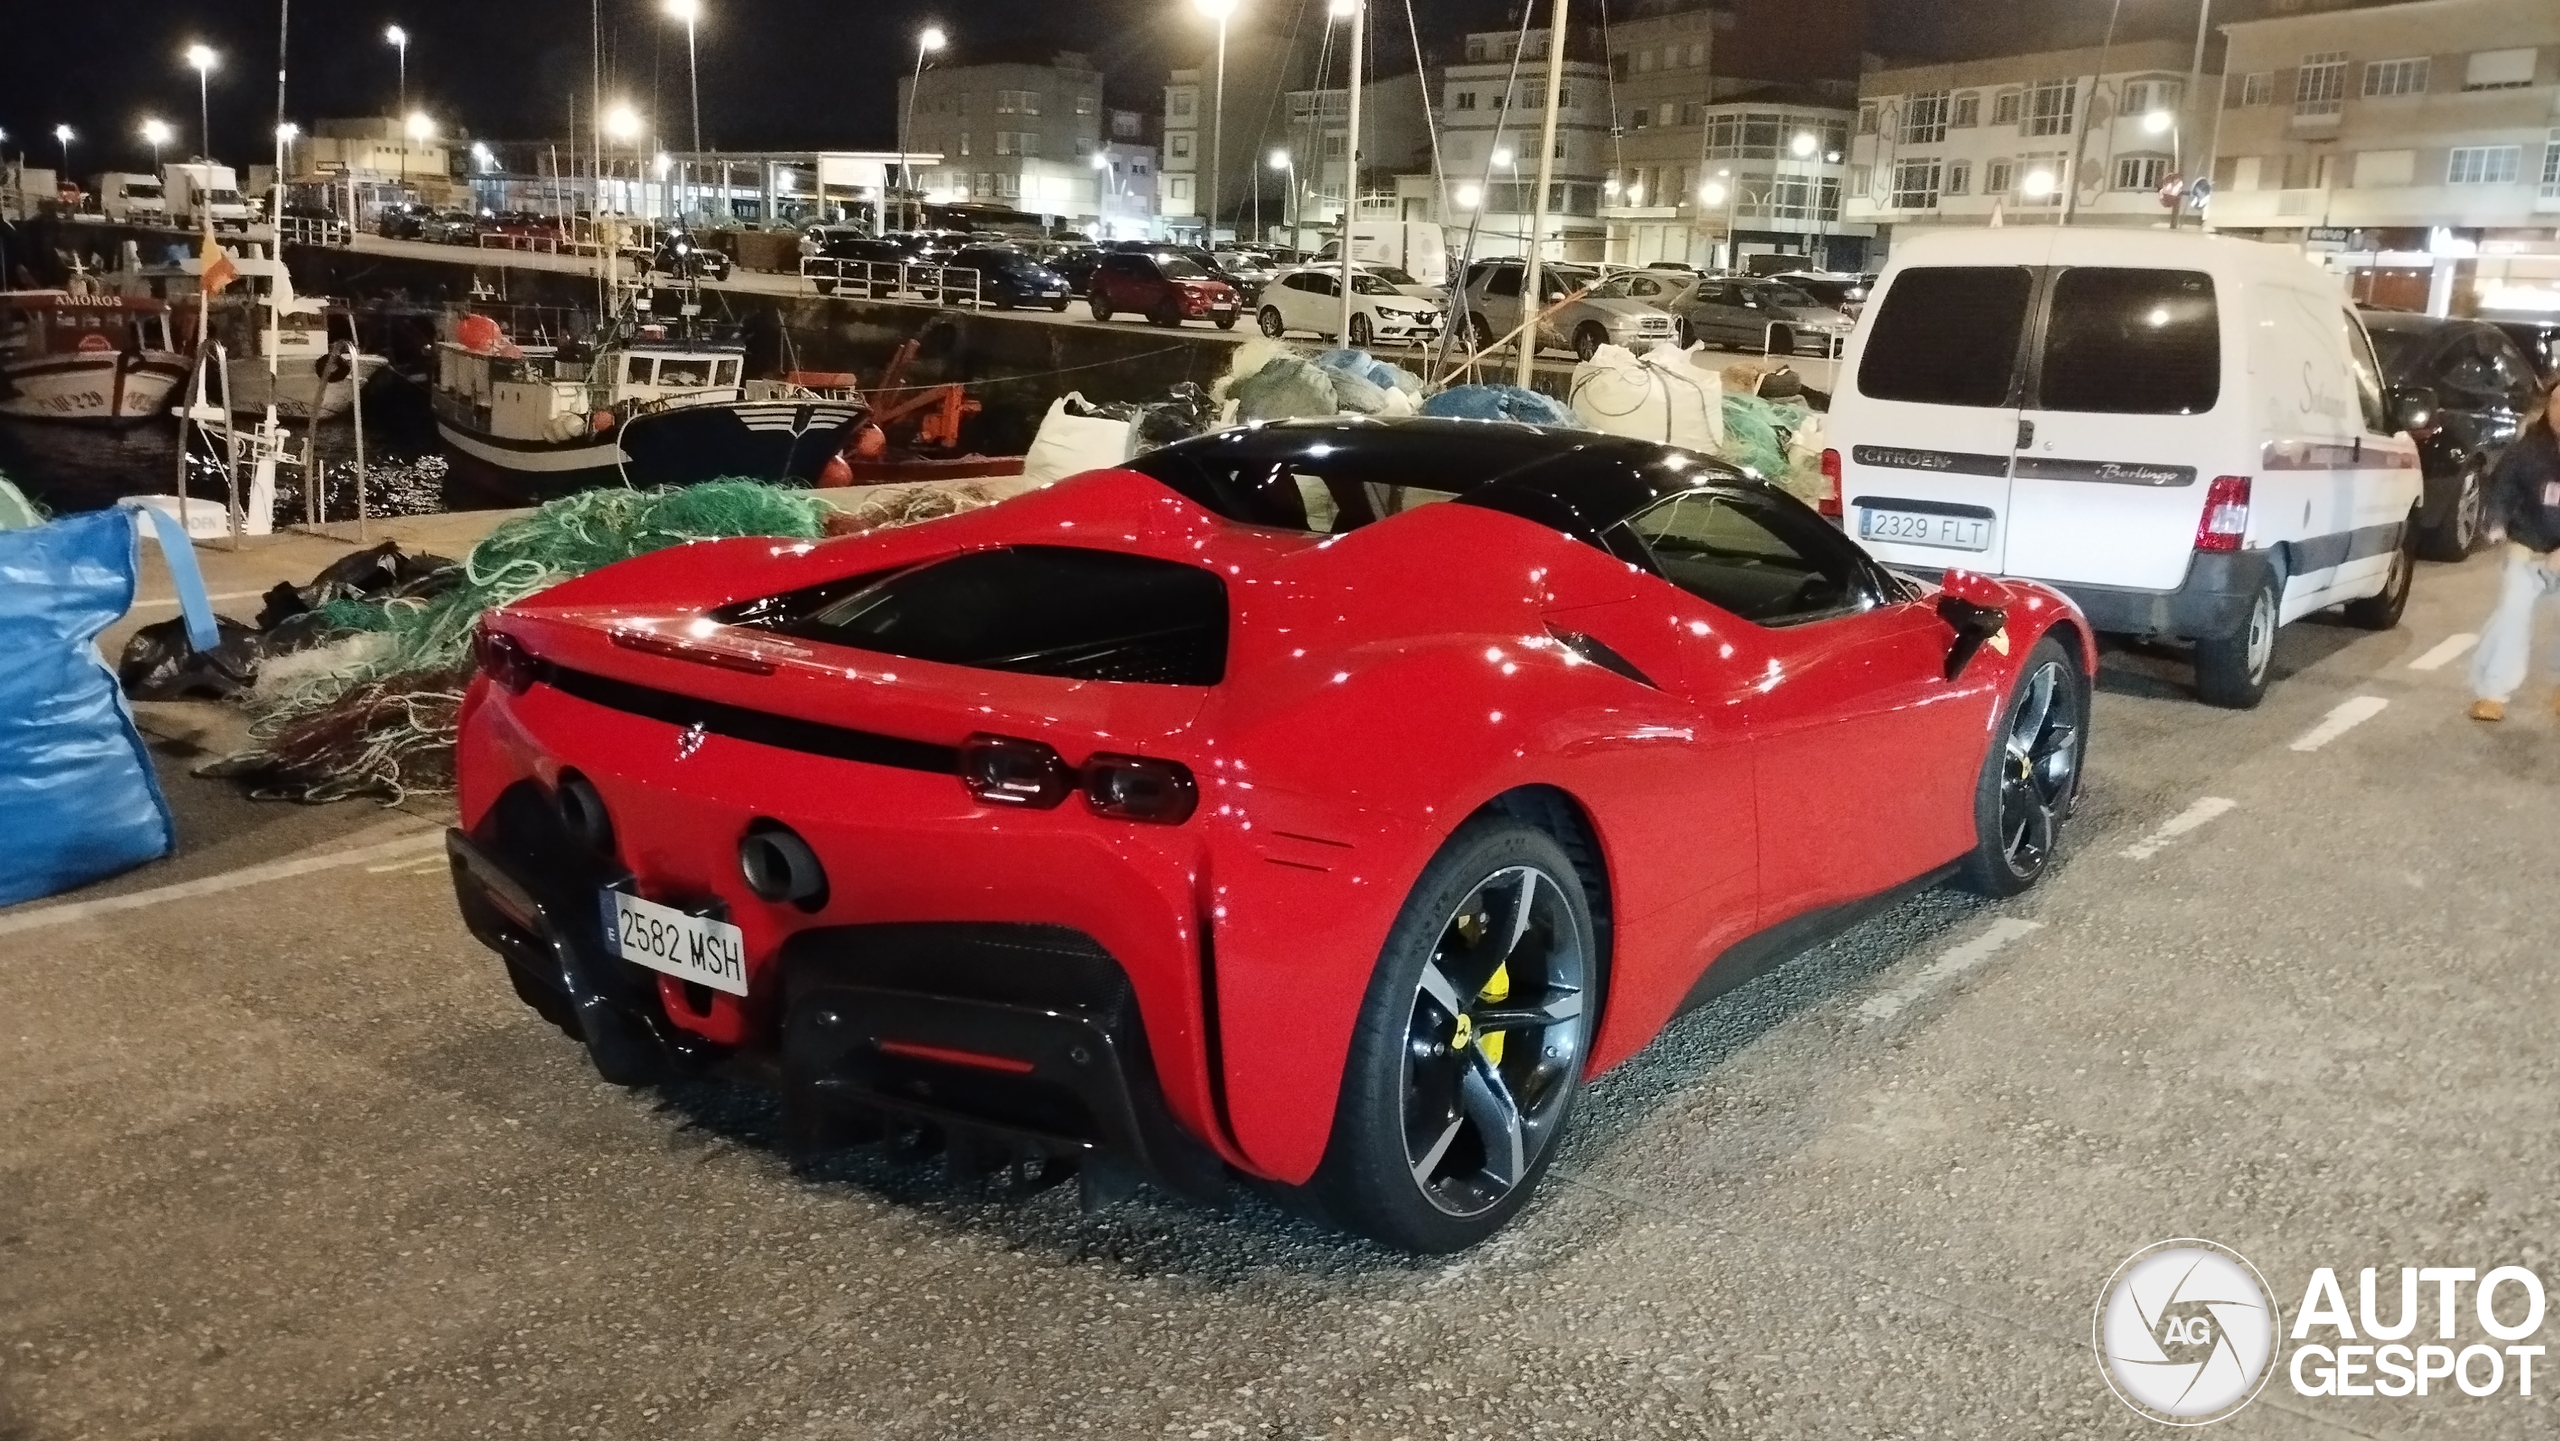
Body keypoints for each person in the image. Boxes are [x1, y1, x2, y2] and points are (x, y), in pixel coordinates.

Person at [2469, 375, 2560, 721]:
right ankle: (2492, 692)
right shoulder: (2528, 449)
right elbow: (2503, 487)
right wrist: (2496, 521)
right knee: (2511, 614)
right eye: (2557, 402)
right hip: (2529, 548)